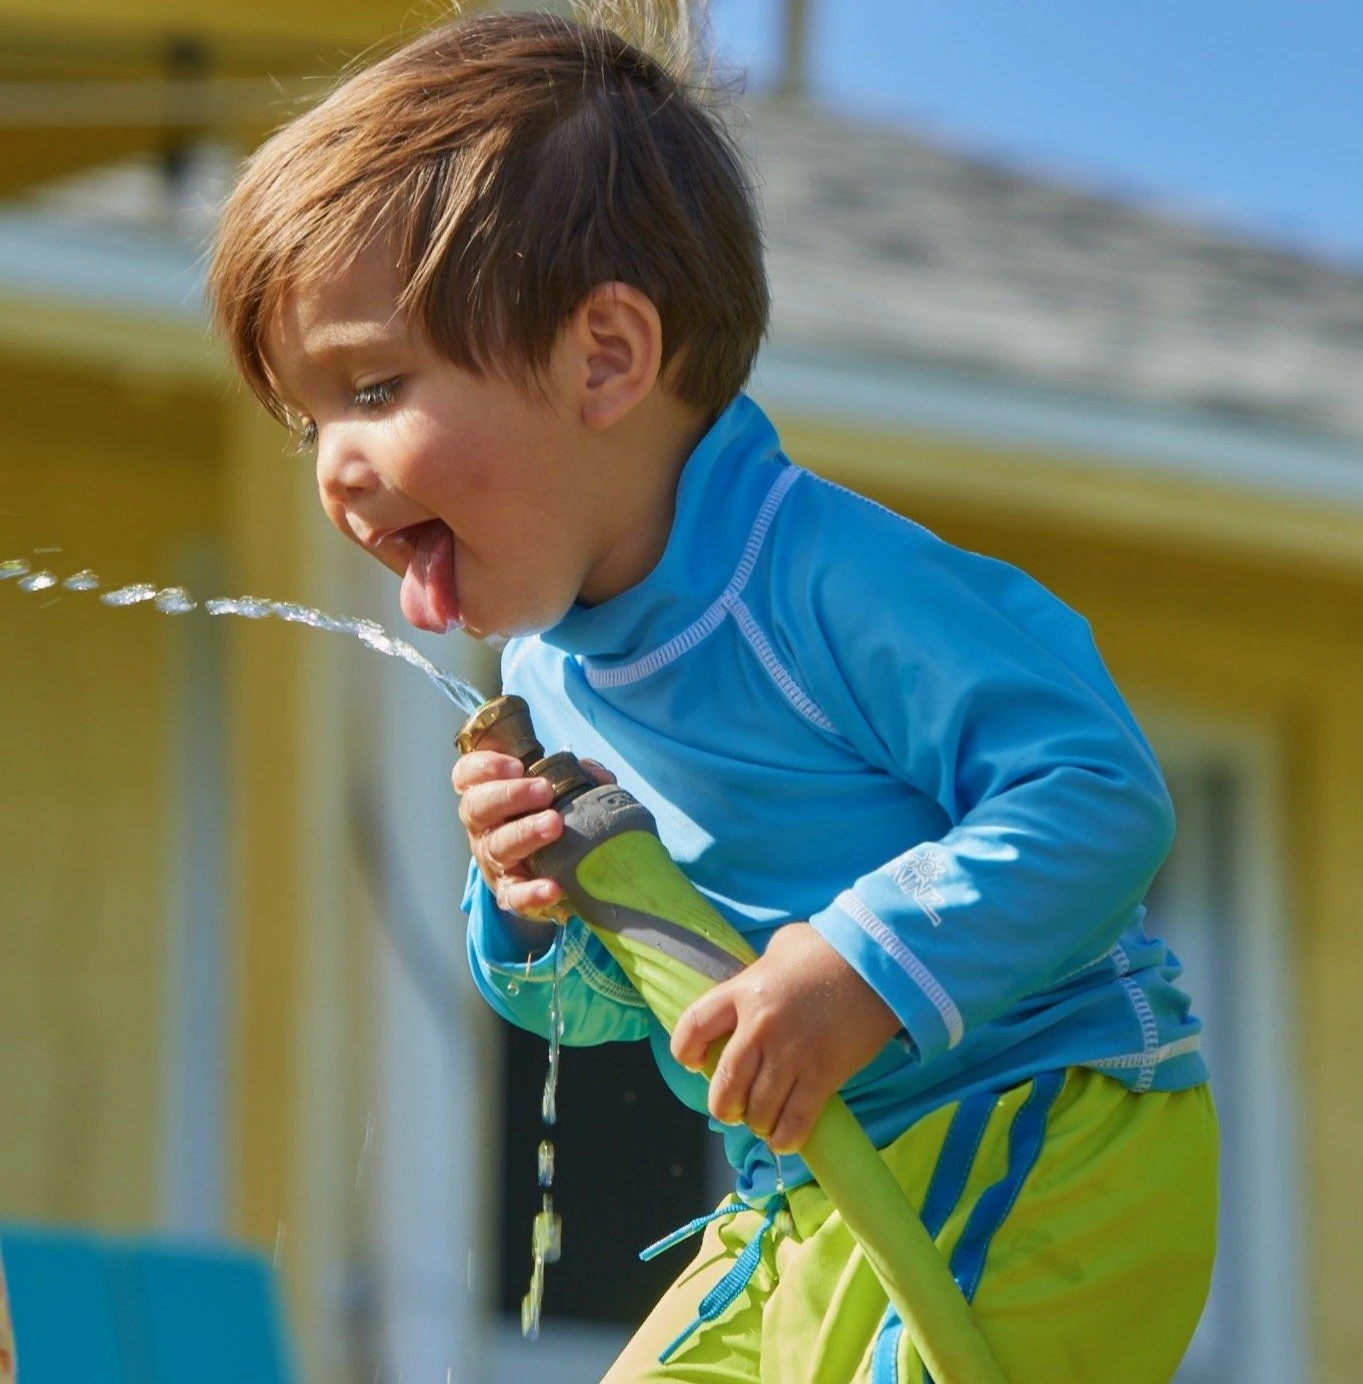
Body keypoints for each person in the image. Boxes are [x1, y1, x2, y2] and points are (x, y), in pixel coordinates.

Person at [208, 5, 1217, 1380]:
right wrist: (535, 913)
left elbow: (1099, 795)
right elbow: (600, 1015)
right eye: (310, 417)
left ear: (605, 357)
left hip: (1045, 1130)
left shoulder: (826, 581)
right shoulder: (553, 675)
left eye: (377, 384)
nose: (336, 463)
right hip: (811, 1181)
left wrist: (852, 966)